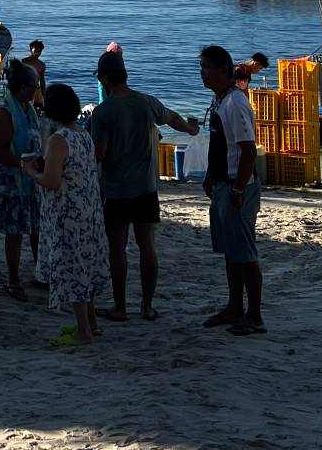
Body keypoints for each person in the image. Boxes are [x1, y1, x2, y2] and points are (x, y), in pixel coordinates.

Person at [89, 48, 199, 322]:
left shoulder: (103, 113)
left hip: (116, 190)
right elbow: (173, 119)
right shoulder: (147, 102)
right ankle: (147, 306)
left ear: (105, 78)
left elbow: (99, 154)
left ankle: (120, 307)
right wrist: (191, 129)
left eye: (100, 77)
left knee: (117, 248)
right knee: (147, 246)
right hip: (146, 188)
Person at [27, 83, 111, 346]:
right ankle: (92, 323)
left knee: (74, 268)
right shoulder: (83, 134)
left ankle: (83, 331)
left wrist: (30, 171)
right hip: (89, 210)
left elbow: (51, 181)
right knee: (87, 264)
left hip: (68, 214)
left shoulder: (58, 139)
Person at [199, 43, 264, 337]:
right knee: (231, 251)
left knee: (245, 253)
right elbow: (220, 144)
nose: (203, 73)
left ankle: (255, 315)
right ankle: (234, 306)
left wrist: (238, 189)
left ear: (224, 70)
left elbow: (247, 150)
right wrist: (211, 175)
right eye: (201, 68)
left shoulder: (235, 103)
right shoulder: (220, 100)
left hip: (239, 187)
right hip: (223, 183)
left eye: (207, 68)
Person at [0, 58, 42, 300]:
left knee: (36, 227)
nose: (37, 91)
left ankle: (41, 272)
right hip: (10, 180)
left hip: (29, 176)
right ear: (23, 88)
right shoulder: (6, 113)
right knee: (14, 231)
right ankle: (14, 280)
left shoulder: (29, 110)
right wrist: (23, 164)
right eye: (34, 87)